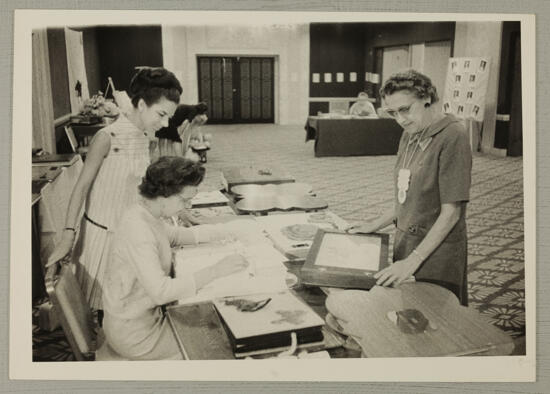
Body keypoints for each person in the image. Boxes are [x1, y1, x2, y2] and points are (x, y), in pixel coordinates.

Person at [46, 67, 183, 311]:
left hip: (127, 234)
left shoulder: (142, 137)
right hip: (102, 238)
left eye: (168, 118)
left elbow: (140, 188)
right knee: (106, 310)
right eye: (161, 114)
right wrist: (68, 235)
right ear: (141, 104)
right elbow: (80, 188)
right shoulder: (106, 137)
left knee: (125, 309)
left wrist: (178, 211)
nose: (164, 124)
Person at [102, 156, 248, 360]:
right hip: (137, 334)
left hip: (143, 318)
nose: (187, 206)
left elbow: (177, 236)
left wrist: (228, 230)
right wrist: (216, 270)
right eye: (184, 200)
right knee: (228, 336)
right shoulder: (138, 230)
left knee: (219, 317)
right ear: (163, 196)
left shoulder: (146, 214)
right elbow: (161, 292)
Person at [349, 69, 472, 306]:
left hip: (437, 249)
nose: (400, 120)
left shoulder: (453, 135)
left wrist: (413, 260)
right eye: (393, 113)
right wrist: (374, 224)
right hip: (407, 241)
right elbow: (405, 197)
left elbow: (452, 212)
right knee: (408, 314)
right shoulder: (410, 133)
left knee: (438, 320)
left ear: (427, 98)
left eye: (405, 109)